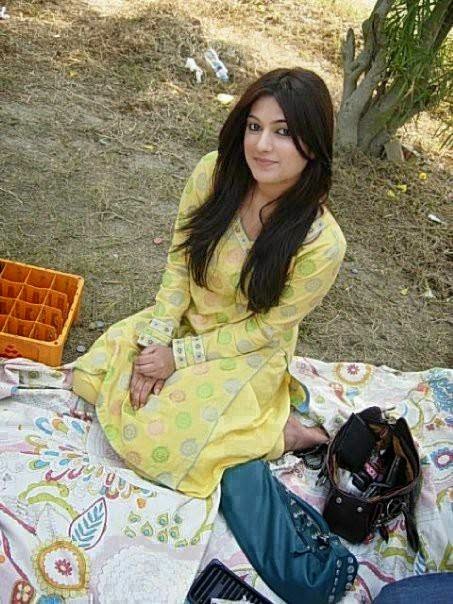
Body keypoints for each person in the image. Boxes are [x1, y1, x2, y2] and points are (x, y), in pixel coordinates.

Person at [72, 67, 346, 498]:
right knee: (90, 378)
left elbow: (266, 329)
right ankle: (239, 422)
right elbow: (180, 262)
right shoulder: (214, 174)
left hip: (247, 349)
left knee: (161, 443)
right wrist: (157, 338)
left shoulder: (321, 243)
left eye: (282, 132)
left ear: (312, 143)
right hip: (190, 317)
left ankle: (283, 432)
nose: (261, 145)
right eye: (254, 127)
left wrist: (177, 358)